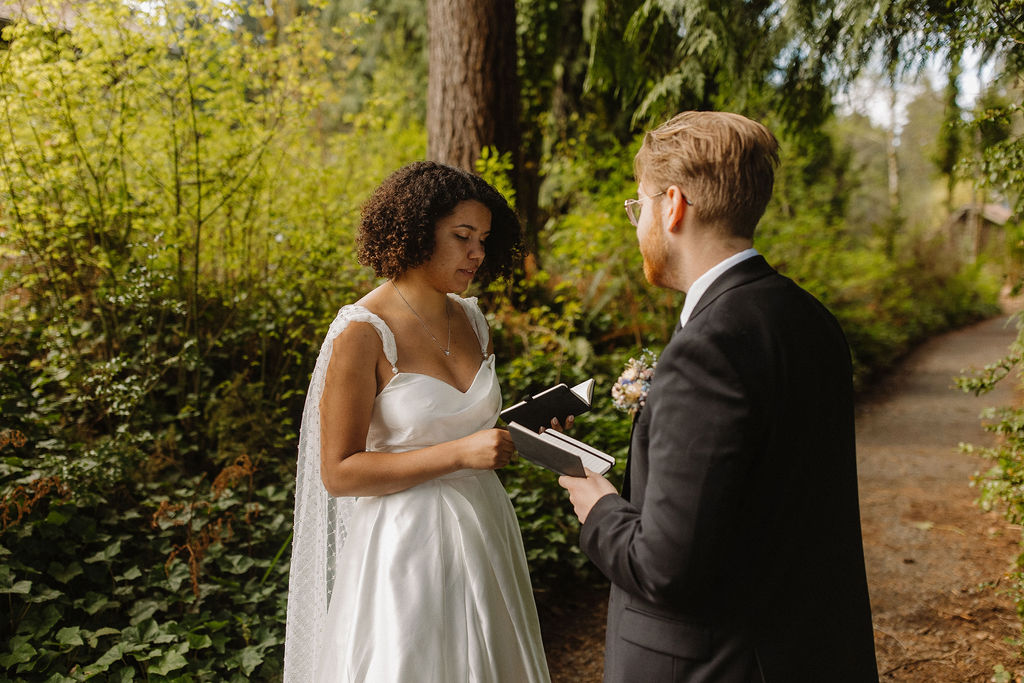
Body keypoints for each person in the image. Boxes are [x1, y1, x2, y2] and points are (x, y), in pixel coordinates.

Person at [558, 112, 878, 682]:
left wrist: (597, 506)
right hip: (809, 650)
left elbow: (666, 569)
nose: (637, 227)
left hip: (717, 664)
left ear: (672, 205)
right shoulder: (809, 317)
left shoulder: (708, 345)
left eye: (638, 208)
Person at [284, 161, 551, 682]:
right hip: (405, 546)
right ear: (415, 230)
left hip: (485, 528)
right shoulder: (362, 332)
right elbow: (339, 473)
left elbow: (469, 426)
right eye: (462, 236)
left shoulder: (473, 320)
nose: (477, 252)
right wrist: (460, 454)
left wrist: (530, 428)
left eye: (484, 239)